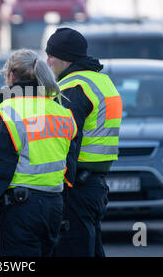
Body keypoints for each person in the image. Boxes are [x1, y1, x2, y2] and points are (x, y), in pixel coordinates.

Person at [0, 49, 77, 256]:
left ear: (12, 76)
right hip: (54, 207)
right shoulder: (63, 113)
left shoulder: (5, 114)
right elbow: (69, 168)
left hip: (21, 211)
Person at [45, 27, 123, 257]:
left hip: (75, 186)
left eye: (51, 56)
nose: (47, 61)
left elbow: (66, 139)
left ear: (66, 58)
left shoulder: (73, 88)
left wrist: (58, 184)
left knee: (73, 249)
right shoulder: (101, 80)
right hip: (94, 185)